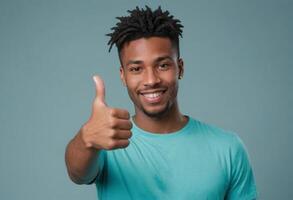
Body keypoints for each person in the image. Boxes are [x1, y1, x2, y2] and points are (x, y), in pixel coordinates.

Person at [65, 6, 257, 200]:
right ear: (123, 76)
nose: (151, 80)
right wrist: (86, 139)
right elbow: (77, 174)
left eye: (163, 65)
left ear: (180, 68)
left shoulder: (228, 148)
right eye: (136, 69)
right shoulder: (107, 141)